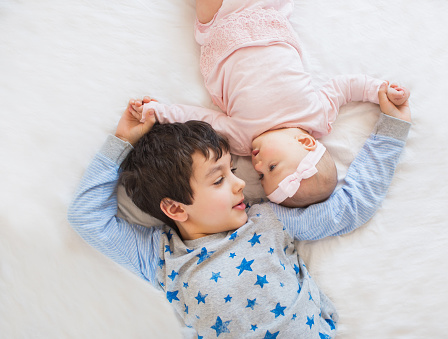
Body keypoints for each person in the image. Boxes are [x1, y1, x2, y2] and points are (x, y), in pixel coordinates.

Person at [68, 82, 412, 338]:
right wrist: (122, 141)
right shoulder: (159, 257)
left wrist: (392, 129)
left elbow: (350, 208)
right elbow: (86, 217)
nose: (240, 184)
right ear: (174, 207)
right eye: (218, 180)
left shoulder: (268, 220)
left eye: (234, 170)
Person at [129, 0, 410, 208]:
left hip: (222, 30)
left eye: (261, 174)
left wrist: (158, 111)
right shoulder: (317, 117)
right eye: (272, 166)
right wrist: (379, 90)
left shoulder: (241, 139)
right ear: (307, 144)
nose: (258, 163)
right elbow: (345, 87)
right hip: (266, 15)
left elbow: (199, 118)